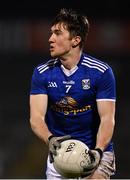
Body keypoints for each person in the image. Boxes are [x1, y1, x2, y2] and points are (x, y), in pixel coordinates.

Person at [29, 8, 116, 179]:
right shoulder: (42, 73)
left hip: (95, 152)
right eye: (51, 33)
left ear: (75, 40)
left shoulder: (101, 72)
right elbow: (36, 118)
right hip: (60, 156)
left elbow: (107, 119)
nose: (50, 39)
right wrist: (50, 139)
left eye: (57, 33)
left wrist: (98, 151)